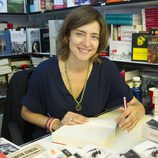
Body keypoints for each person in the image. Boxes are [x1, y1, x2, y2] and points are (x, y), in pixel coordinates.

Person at [21, 6, 145, 139]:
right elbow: (26, 112)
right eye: (80, 34)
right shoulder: (45, 70)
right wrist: (56, 124)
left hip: (91, 141)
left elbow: (135, 104)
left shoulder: (106, 68)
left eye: (94, 36)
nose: (87, 43)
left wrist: (136, 111)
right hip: (53, 141)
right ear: (68, 35)